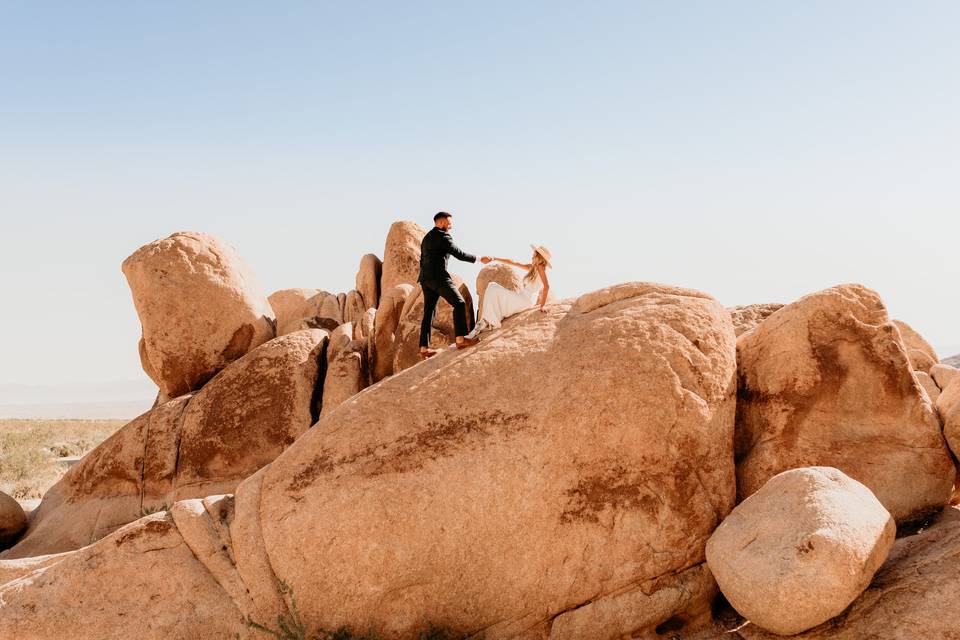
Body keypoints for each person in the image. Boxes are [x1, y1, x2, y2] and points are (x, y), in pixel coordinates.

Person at [418, 212, 492, 359]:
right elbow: (459, 254)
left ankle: (424, 348)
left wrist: (425, 276)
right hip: (439, 277)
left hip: (425, 279)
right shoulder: (443, 236)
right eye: (448, 222)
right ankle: (461, 339)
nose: (451, 224)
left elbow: (422, 259)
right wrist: (479, 259)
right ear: (440, 223)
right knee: (459, 303)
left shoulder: (426, 238)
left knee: (429, 312)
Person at [466, 245, 552, 339]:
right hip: (522, 297)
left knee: (493, 287)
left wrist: (542, 305)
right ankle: (486, 321)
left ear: (539, 256)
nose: (532, 255)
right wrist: (495, 258)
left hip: (526, 300)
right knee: (492, 287)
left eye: (534, 254)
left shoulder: (540, 267)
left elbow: (546, 286)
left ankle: (486, 322)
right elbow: (514, 262)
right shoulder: (533, 268)